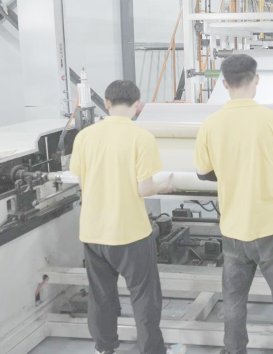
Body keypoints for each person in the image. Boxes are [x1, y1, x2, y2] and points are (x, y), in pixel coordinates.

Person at [194, 54, 273, 354]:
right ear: (257, 79)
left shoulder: (210, 125)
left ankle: (234, 350)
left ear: (224, 84)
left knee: (234, 300)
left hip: (234, 228)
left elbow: (202, 172)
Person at [68, 80, 185, 354]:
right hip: (129, 232)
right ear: (137, 105)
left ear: (107, 103)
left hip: (93, 232)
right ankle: (151, 349)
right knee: (144, 296)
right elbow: (144, 189)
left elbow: (82, 182)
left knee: (101, 296)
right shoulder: (141, 137)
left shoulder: (84, 136)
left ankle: (104, 348)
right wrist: (164, 185)